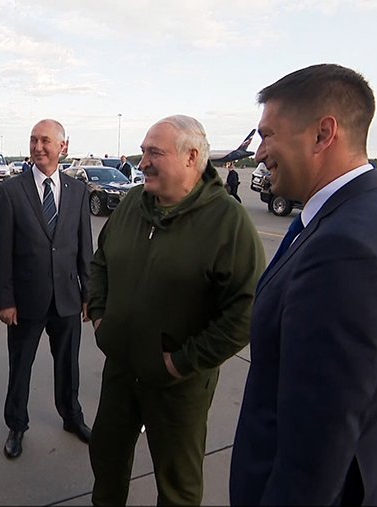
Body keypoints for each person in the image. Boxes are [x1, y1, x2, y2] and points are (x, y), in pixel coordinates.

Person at [230, 64, 377, 506]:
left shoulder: (344, 251)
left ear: (323, 134)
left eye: (268, 135)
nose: (258, 153)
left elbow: (314, 452)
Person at [87, 115, 264, 505]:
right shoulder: (133, 203)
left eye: (155, 153)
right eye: (143, 152)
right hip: (120, 370)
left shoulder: (227, 221)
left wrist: (181, 362)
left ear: (191, 157)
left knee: (177, 484)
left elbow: (246, 311)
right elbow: (100, 262)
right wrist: (101, 318)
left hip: (178, 385)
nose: (143, 162)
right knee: (107, 458)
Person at [0, 119, 93, 460]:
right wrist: (5, 300)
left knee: (68, 365)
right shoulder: (11, 190)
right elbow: (2, 251)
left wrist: (88, 293)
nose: (38, 147)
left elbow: (84, 246)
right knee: (21, 366)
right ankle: (17, 425)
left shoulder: (77, 191)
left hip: (67, 298)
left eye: (45, 141)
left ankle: (72, 416)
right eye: (33, 140)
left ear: (63, 147)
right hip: (26, 301)